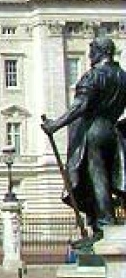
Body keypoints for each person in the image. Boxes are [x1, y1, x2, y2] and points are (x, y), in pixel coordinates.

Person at [42, 36, 126, 249]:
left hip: (93, 131)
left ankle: (104, 224)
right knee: (105, 178)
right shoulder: (123, 76)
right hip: (113, 131)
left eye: (92, 51)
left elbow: (79, 106)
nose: (89, 56)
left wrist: (55, 125)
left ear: (100, 52)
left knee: (96, 177)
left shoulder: (94, 76)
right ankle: (100, 223)